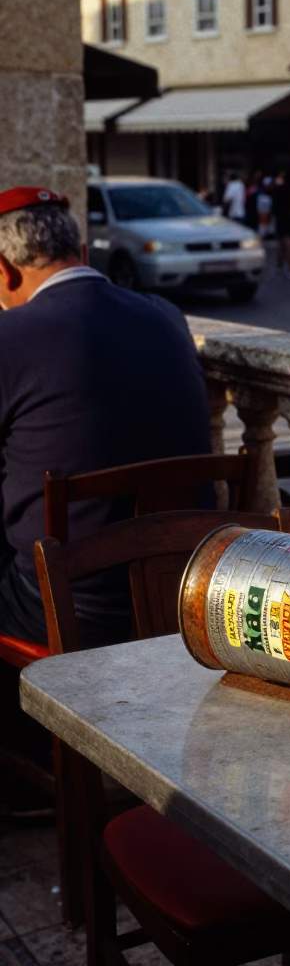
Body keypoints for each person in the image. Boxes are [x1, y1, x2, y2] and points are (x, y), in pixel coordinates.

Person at [0, 187, 212, 651]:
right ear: (80, 253)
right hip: (183, 591)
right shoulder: (165, 315)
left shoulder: (8, 335)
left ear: (4, 269)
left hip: (72, 610)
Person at [272, 172, 290, 279]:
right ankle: (279, 266)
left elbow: (274, 207)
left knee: (286, 242)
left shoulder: (279, 191)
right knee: (282, 244)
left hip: (283, 219)